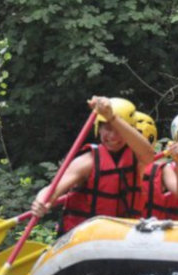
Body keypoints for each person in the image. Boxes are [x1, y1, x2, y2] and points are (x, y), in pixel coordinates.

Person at [30, 96, 155, 234]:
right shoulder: (86, 162)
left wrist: (111, 117)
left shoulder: (137, 158)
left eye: (119, 130)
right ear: (99, 129)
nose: (113, 136)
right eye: (107, 128)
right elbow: (53, 189)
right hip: (84, 239)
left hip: (122, 238)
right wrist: (42, 200)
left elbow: (149, 155)